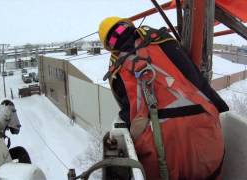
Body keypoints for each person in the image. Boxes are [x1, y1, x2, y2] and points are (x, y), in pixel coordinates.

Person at [98, 16, 229, 180]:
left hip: (159, 148)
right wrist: (217, 105)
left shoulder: (117, 71)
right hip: (204, 131)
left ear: (110, 46)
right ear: (128, 25)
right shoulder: (161, 40)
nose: (119, 34)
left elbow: (129, 111)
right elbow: (193, 75)